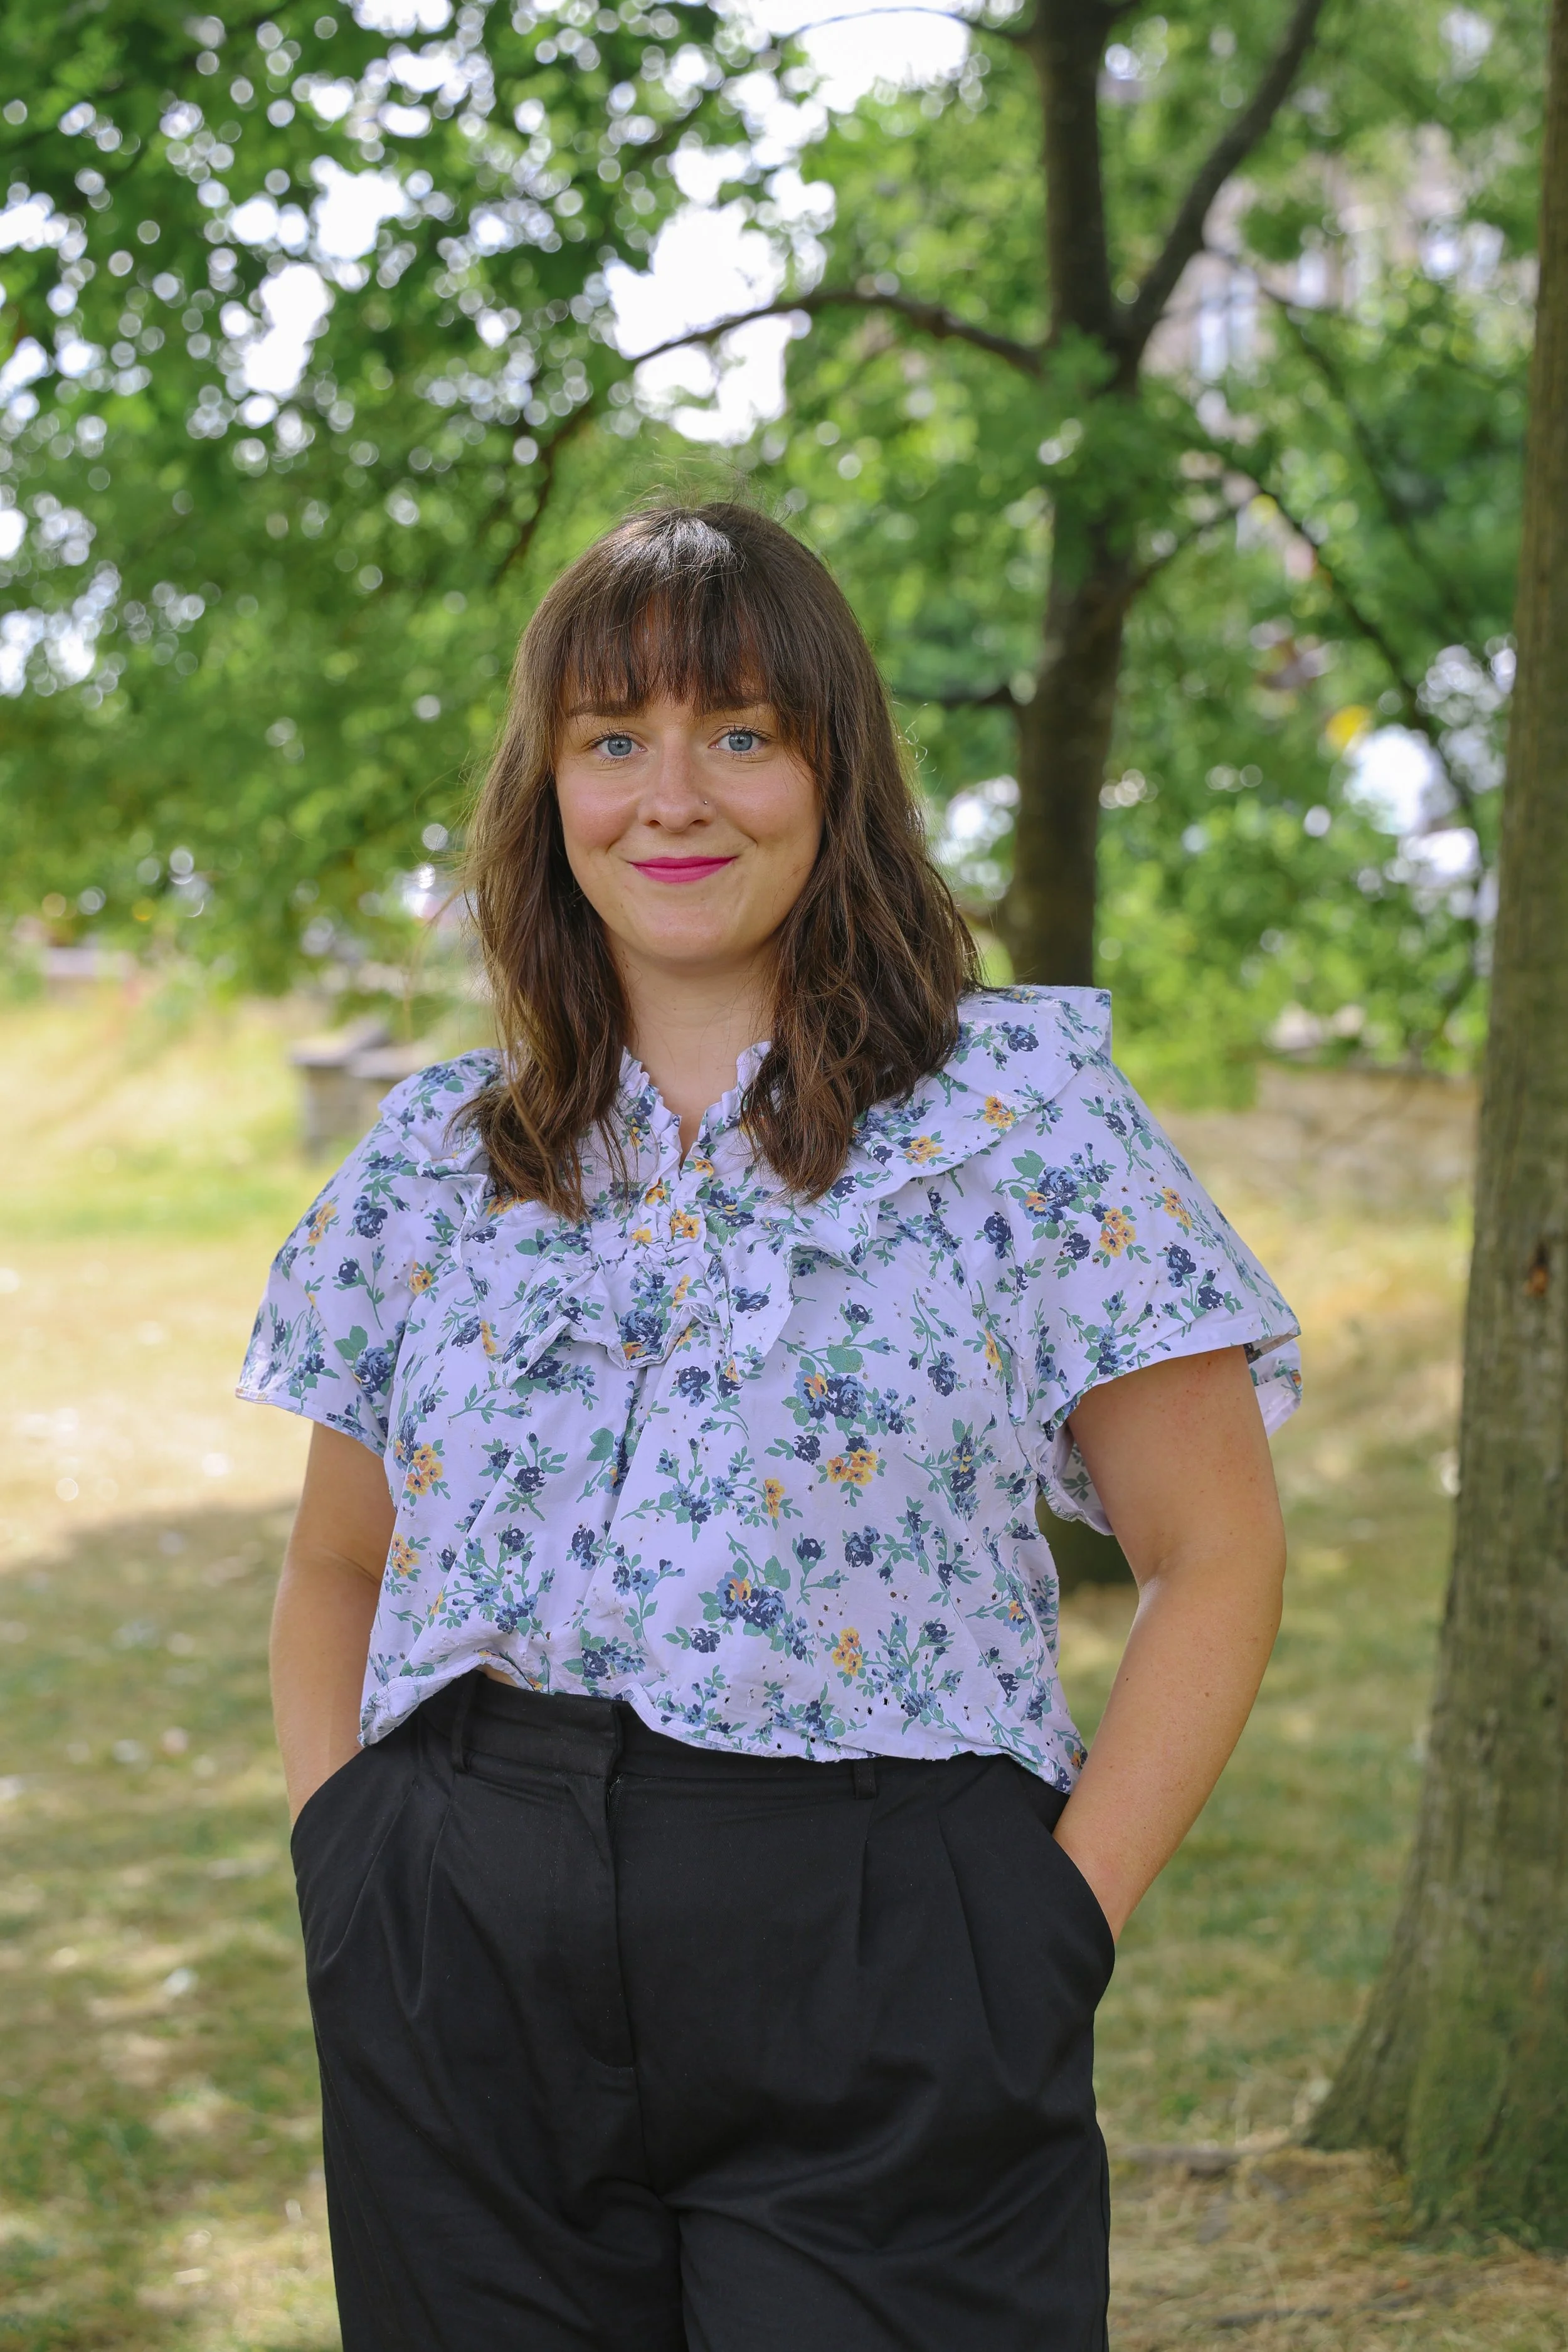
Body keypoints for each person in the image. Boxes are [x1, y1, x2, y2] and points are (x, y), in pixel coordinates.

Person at [240, 502, 1299, 2352]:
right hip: (461, 1950)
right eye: (610, 739)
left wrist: (1050, 1931)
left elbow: (1214, 1551)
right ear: (546, 787)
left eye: (738, 730)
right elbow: (339, 1560)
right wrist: (353, 1871)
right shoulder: (435, 1156)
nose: (673, 795)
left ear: (835, 770)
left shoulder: (1023, 1126)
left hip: (882, 1954)